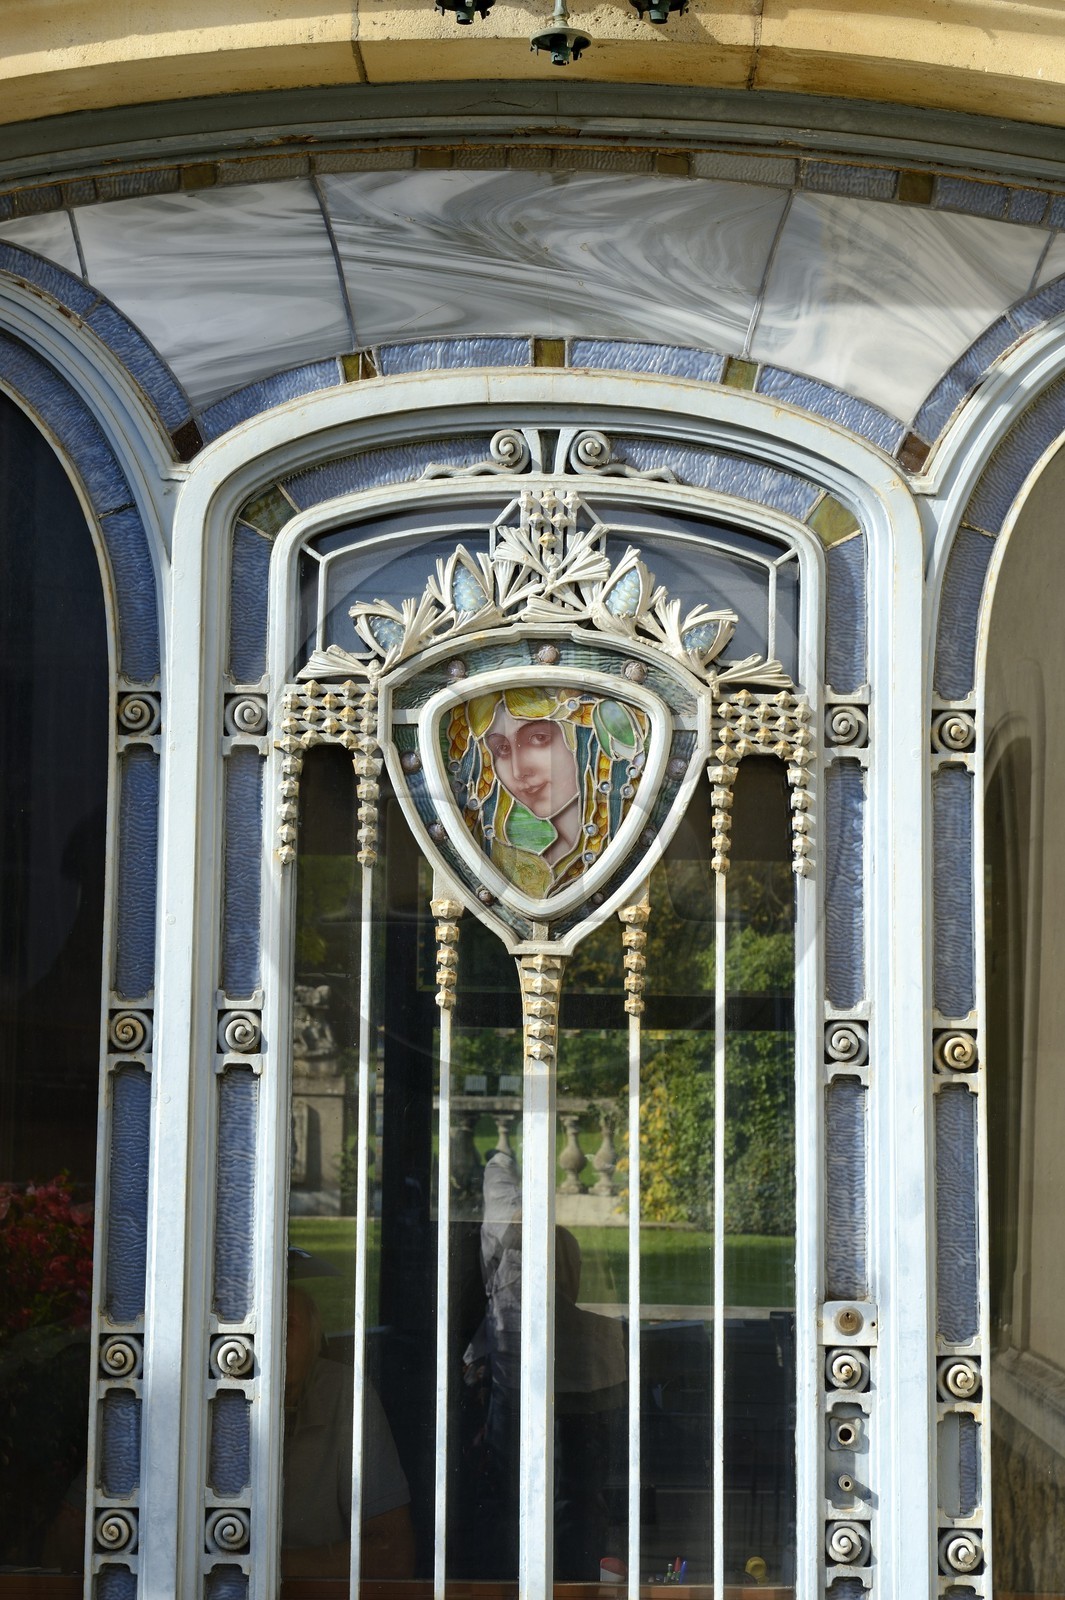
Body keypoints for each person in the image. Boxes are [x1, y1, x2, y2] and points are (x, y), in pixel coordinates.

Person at [447, 686, 650, 899]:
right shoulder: (513, 866)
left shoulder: (617, 847)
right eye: (502, 749)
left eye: (539, 738)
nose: (519, 771)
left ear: (584, 734)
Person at [282, 1286, 415, 1578]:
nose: (271, 1336)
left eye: (287, 1324)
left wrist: (271, 1567)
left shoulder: (344, 1393)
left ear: (315, 1340)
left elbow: (391, 1553)